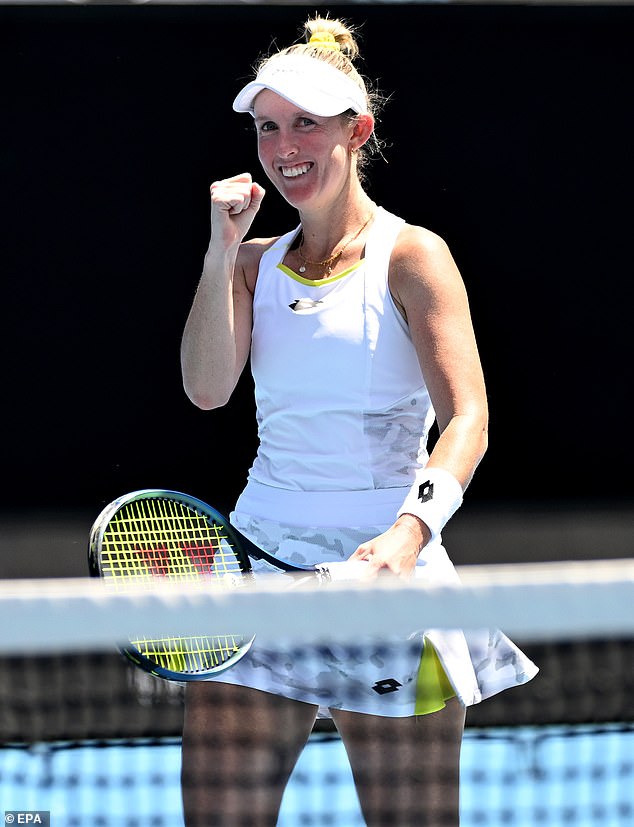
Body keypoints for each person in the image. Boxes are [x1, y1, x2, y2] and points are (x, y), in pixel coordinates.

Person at [180, 14, 538, 826]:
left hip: (387, 578)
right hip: (259, 571)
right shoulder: (248, 262)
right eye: (269, 127)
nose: (285, 146)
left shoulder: (414, 255)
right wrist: (217, 249)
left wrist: (407, 537)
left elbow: (469, 419)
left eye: (306, 122)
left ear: (358, 130)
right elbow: (206, 389)